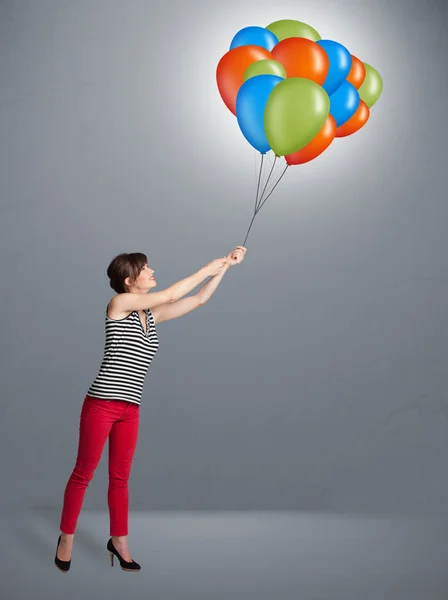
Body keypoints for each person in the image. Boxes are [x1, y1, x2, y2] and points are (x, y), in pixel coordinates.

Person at [54, 245, 247, 573]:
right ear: (130, 281)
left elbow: (197, 299)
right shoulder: (119, 304)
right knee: (83, 473)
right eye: (145, 268)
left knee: (120, 478)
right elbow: (172, 293)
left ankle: (119, 540)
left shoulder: (150, 316)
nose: (152, 271)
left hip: (130, 408)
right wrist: (209, 265)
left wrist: (226, 266)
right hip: (102, 404)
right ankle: (66, 538)